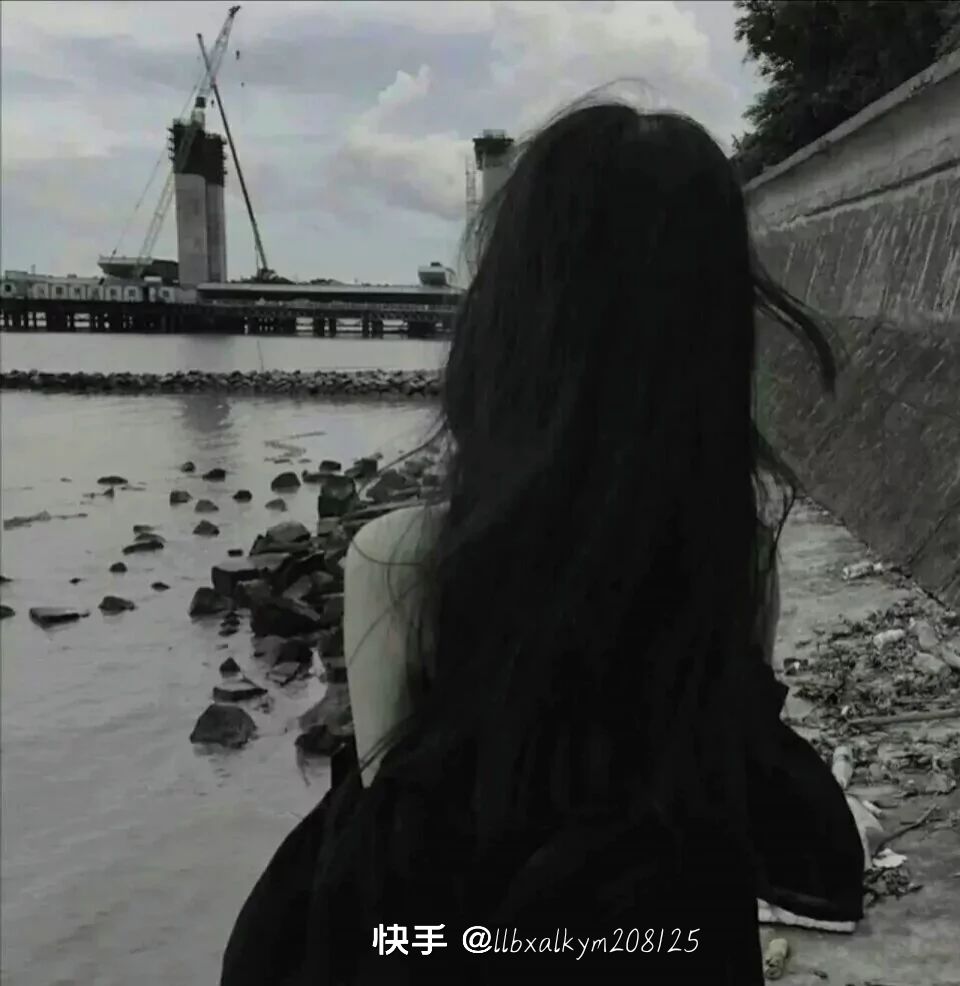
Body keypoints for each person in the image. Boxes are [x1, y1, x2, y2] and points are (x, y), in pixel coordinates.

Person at [220, 98, 863, 986]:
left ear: (509, 322)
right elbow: (717, 783)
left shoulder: (402, 559)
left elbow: (389, 855)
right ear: (714, 335)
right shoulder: (738, 555)